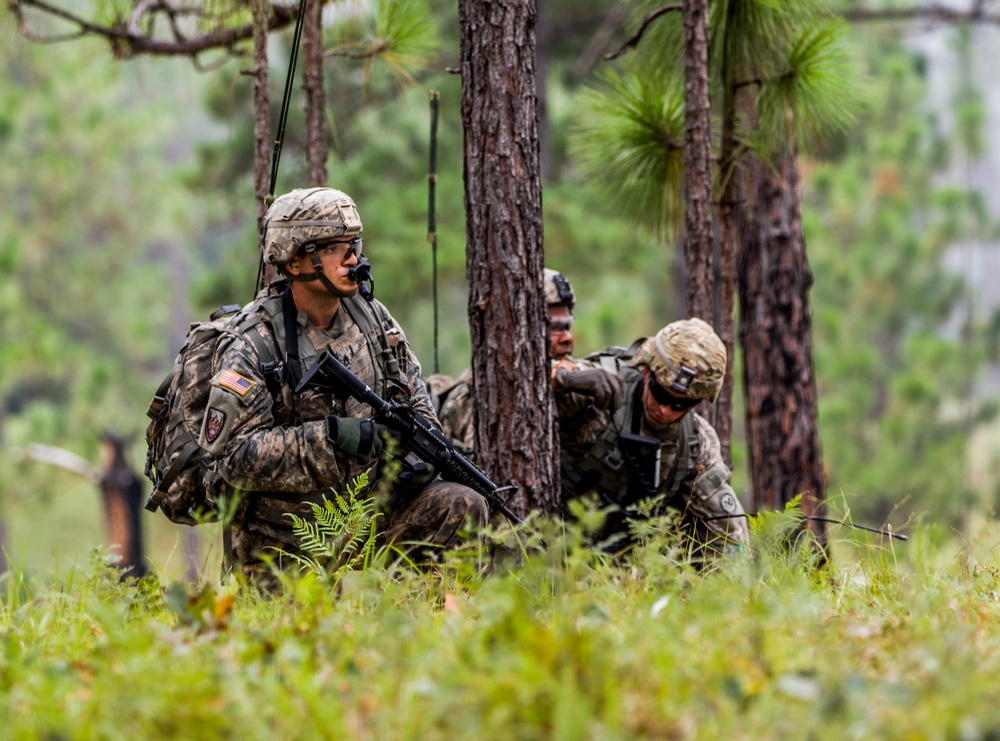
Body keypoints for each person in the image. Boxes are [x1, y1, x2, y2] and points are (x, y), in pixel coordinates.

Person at [198, 187, 489, 579]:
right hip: (283, 543)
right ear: (296, 260)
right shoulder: (254, 343)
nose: (353, 256)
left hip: (367, 520)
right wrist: (334, 437)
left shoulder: (372, 318)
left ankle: (436, 627)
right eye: (335, 246)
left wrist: (418, 456)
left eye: (354, 242)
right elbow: (233, 456)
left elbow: (414, 394)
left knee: (464, 505)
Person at [556, 318, 748, 557]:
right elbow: (520, 383)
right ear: (647, 371)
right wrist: (561, 379)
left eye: (681, 403)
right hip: (553, 550)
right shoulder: (598, 388)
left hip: (633, 574)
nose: (665, 409)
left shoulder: (695, 444)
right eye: (660, 393)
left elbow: (730, 535)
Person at [427, 268, 620, 458]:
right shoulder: (484, 391)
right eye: (554, 327)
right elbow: (518, 380)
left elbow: (578, 370)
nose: (568, 337)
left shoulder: (567, 378)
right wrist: (560, 378)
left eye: (567, 325)